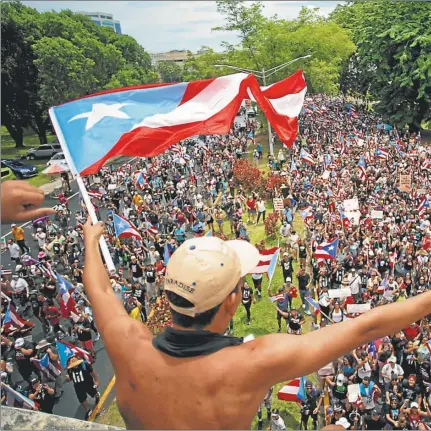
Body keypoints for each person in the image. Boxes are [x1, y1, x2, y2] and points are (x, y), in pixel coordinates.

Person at [82, 224, 431, 430]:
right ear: (233, 300)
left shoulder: (126, 342)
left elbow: (97, 288)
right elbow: (365, 329)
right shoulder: (251, 363)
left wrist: (90, 238)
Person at [65, 356, 100, 420]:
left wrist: (96, 381)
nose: (74, 366)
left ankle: (97, 396)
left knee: (93, 393)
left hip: (88, 384)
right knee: (82, 399)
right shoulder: (70, 370)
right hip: (78, 386)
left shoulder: (85, 365)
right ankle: (88, 410)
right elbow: (72, 377)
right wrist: (68, 378)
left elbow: (93, 372)